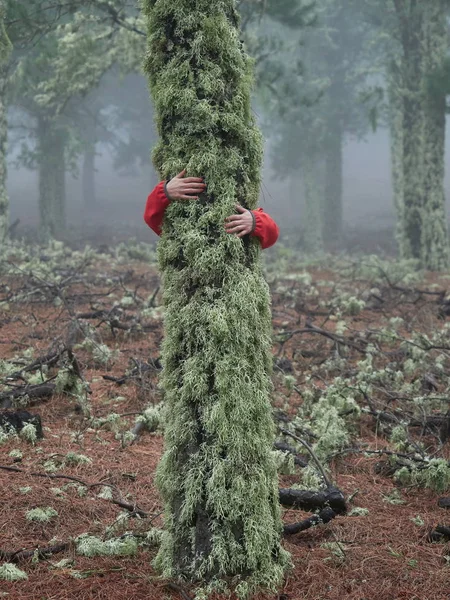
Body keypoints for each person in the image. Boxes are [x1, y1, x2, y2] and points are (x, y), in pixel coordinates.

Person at [144, 170, 279, 249]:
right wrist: (165, 192)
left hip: (233, 285)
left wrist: (255, 221)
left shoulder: (241, 201)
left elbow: (272, 235)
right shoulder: (178, 223)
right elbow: (152, 219)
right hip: (187, 284)